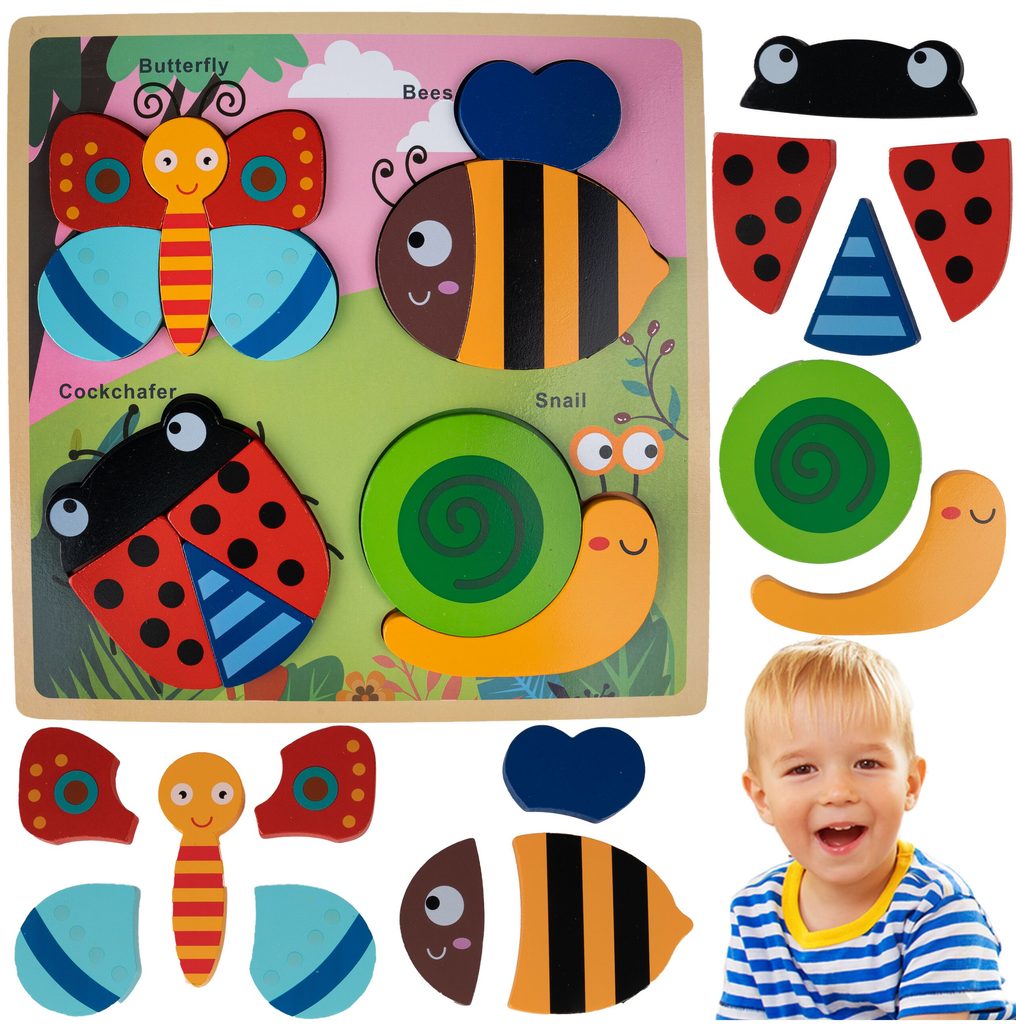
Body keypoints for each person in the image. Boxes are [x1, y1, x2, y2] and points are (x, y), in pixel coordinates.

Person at [718, 636, 1013, 1020]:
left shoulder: (937, 909)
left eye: (867, 764)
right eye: (802, 769)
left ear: (910, 784)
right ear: (762, 798)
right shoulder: (755, 912)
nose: (838, 792)